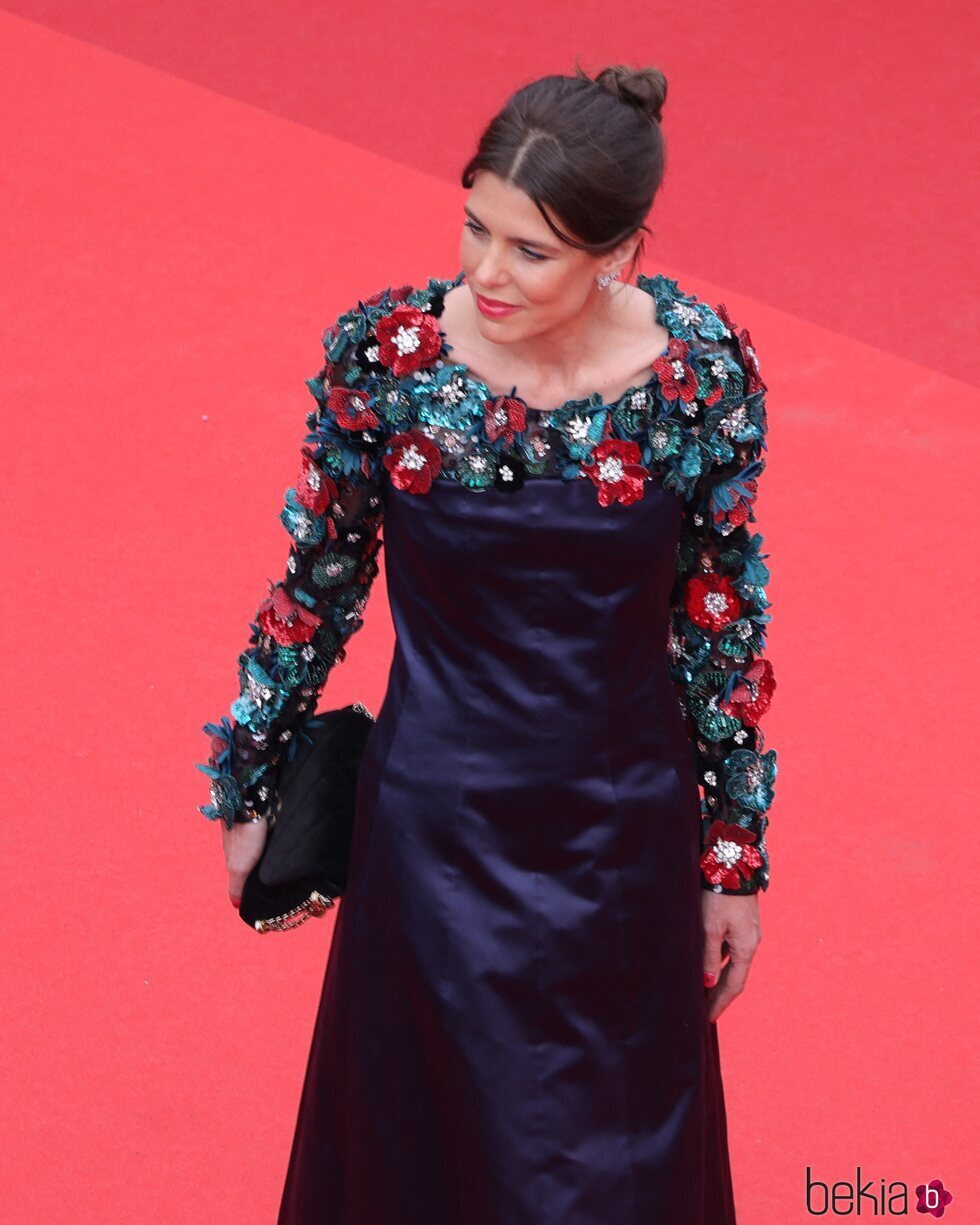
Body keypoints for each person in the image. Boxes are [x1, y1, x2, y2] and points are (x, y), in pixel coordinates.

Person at [197, 61, 778, 1225]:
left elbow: (717, 625)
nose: (483, 271)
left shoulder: (698, 379)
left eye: (530, 249)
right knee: (426, 1157)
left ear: (617, 253)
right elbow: (314, 583)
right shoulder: (390, 361)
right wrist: (249, 784)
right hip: (432, 845)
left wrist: (730, 860)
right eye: (475, 226)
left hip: (619, 845)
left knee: (605, 1171)